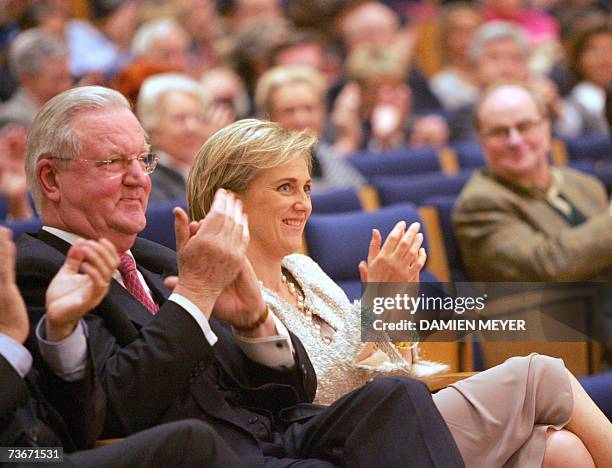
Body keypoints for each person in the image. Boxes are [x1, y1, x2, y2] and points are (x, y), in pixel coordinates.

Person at [16, 85, 465, 466]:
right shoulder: (38, 269)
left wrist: (255, 326)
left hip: (271, 437)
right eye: (114, 163)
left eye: (144, 160)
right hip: (208, 454)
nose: (139, 179)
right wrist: (194, 296)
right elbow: (110, 409)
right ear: (51, 179)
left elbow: (292, 393)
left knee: (397, 396)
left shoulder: (157, 260)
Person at [187, 117, 612, 468]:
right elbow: (316, 396)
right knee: (541, 372)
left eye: (306, 188)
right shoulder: (229, 292)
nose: (303, 204)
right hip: (345, 445)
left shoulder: (303, 268)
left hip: (396, 422)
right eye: (285, 188)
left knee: (562, 452)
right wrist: (376, 306)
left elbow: (392, 377)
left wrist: (392, 309)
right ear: (231, 199)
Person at [0, 226, 244, 467]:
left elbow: (69, 430)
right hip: (26, 457)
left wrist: (62, 334)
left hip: (39, 455)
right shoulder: (34, 266)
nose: (138, 183)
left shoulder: (150, 254)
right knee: (191, 443)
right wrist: (9, 343)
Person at [453, 83, 612, 282]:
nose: (515, 141)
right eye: (500, 132)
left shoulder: (583, 183)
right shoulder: (478, 206)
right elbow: (544, 266)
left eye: (524, 126)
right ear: (482, 142)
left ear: (546, 128)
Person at [255, 65, 365, 188]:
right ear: (268, 118)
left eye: (309, 108)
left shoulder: (328, 156)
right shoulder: (259, 172)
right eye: (288, 111)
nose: (301, 120)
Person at [137, 72, 229, 202]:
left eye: (198, 118)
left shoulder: (206, 173)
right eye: (180, 118)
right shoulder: (148, 181)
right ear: (152, 128)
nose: (192, 127)